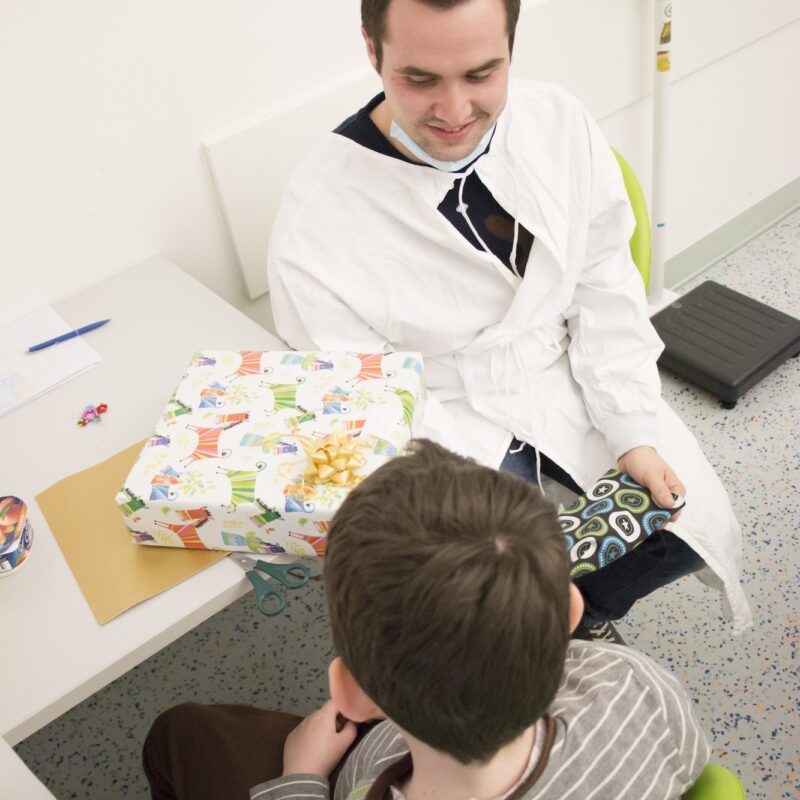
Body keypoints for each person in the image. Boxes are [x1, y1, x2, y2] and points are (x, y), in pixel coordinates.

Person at [266, 0, 750, 632]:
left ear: (511, 49)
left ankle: (588, 617)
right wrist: (480, 510)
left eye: (480, 74)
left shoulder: (556, 120)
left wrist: (629, 425)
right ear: (371, 49)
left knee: (688, 519)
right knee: (492, 594)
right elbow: (379, 405)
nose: (454, 111)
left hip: (562, 363)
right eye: (420, 79)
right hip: (446, 412)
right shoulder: (315, 226)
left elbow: (603, 282)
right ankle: (545, 630)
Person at [143, 440, 711, 799]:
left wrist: (303, 777)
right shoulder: (640, 686)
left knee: (180, 732)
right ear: (570, 611)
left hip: (347, 760)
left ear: (352, 694)